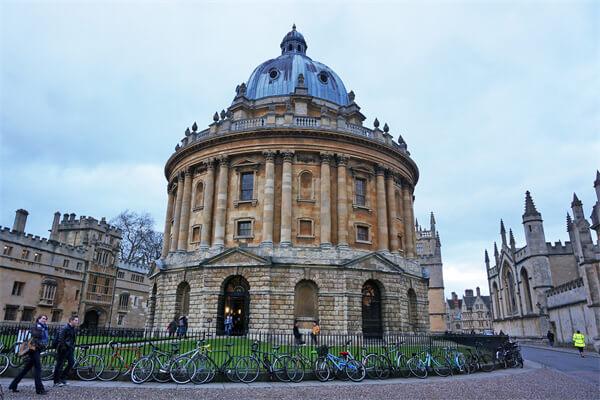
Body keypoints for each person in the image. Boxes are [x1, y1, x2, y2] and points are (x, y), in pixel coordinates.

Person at [8, 315, 49, 395]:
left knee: (25, 369)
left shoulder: (45, 327)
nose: (44, 320)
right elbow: (35, 334)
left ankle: (13, 385)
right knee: (38, 369)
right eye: (43, 318)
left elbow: (45, 339)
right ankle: (39, 389)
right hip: (33, 349)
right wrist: (41, 330)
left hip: (37, 349)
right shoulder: (36, 326)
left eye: (46, 319)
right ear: (38, 319)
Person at [53, 315, 79, 387]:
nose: (77, 322)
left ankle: (62, 378)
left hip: (69, 348)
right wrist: (63, 347)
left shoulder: (73, 328)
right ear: (71, 320)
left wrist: (72, 347)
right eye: (76, 320)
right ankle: (56, 381)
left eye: (77, 320)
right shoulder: (65, 328)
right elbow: (61, 338)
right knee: (59, 365)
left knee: (71, 363)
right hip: (63, 349)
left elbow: (72, 339)